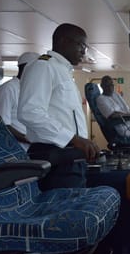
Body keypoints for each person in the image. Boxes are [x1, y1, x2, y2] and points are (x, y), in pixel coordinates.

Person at [18, 23, 99, 190]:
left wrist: (84, 144)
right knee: (63, 214)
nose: (84, 52)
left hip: (70, 157)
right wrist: (74, 139)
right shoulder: (43, 66)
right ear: (63, 41)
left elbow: (66, 115)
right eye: (81, 45)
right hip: (54, 158)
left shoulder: (63, 71)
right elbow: (29, 112)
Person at [0, 52, 39, 151]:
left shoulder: (30, 90)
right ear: (28, 68)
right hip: (16, 150)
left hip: (32, 149)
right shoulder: (8, 89)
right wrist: (30, 140)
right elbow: (2, 125)